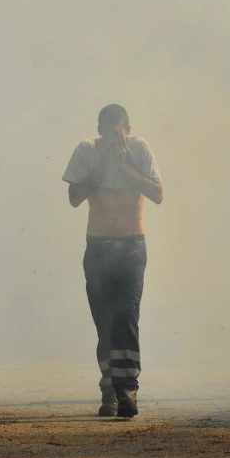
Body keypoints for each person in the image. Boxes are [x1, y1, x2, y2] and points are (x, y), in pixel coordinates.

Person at [62, 104, 163, 418]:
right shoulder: (87, 150)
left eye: (118, 130)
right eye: (106, 130)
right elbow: (74, 198)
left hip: (132, 246)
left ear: (128, 129)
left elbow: (158, 193)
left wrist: (127, 168)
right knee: (105, 320)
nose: (113, 136)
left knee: (126, 315)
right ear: (98, 129)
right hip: (99, 247)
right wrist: (100, 167)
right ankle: (109, 389)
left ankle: (128, 389)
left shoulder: (139, 149)